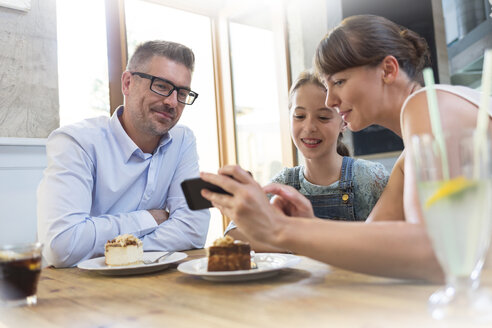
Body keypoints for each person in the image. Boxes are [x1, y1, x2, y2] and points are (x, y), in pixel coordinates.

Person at [199, 15, 492, 282]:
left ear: (388, 70)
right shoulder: (410, 154)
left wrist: (281, 228)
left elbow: (441, 252)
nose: (330, 101)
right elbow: (373, 241)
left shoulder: (428, 105)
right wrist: (309, 226)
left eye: (339, 81)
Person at [37, 40, 210, 267]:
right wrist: (149, 218)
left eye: (182, 93)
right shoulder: (76, 142)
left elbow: (194, 229)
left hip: (153, 284)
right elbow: (62, 245)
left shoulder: (184, 140)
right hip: (77, 288)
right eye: (161, 86)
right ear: (127, 83)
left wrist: (114, 248)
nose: (171, 102)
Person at [225, 70, 389, 251]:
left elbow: (394, 239)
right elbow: (233, 235)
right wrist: (296, 243)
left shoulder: (370, 177)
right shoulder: (284, 184)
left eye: (323, 117)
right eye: (300, 116)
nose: (309, 127)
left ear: (344, 121)